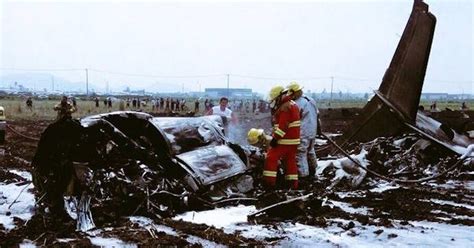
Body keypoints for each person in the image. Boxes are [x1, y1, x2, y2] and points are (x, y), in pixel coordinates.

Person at [264, 85, 301, 190]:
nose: (273, 102)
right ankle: (292, 184)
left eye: (275, 99)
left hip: (285, 140)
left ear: (280, 96)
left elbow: (283, 126)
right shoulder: (293, 104)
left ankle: (269, 184)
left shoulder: (285, 107)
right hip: (293, 140)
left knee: (271, 158)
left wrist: (275, 139)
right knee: (290, 160)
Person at [287, 82, 319, 182]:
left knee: (300, 153)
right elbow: (317, 115)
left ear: (294, 92)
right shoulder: (311, 100)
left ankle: (303, 177)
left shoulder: (296, 104)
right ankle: (313, 171)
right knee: (310, 151)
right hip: (312, 131)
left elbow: (292, 120)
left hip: (302, 132)